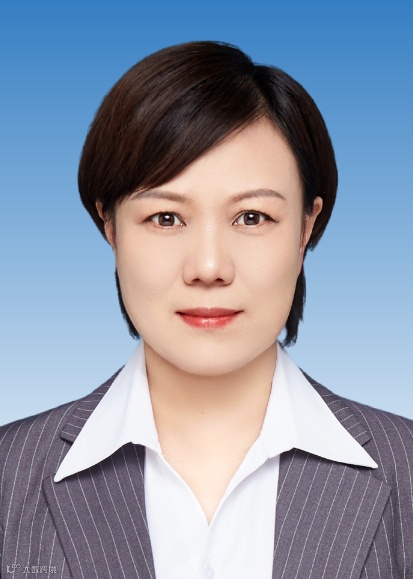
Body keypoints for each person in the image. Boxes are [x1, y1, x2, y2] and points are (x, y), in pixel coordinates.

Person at [0, 41, 412, 579]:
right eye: (166, 218)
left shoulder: (405, 466)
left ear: (306, 227)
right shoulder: (9, 471)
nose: (209, 267)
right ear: (110, 226)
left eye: (252, 217)